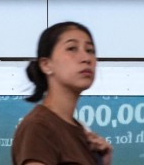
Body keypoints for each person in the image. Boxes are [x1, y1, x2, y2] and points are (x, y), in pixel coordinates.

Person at [11, 21, 112, 165]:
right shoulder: (39, 127)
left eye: (90, 50)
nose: (86, 58)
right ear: (46, 64)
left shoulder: (81, 132)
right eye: (72, 48)